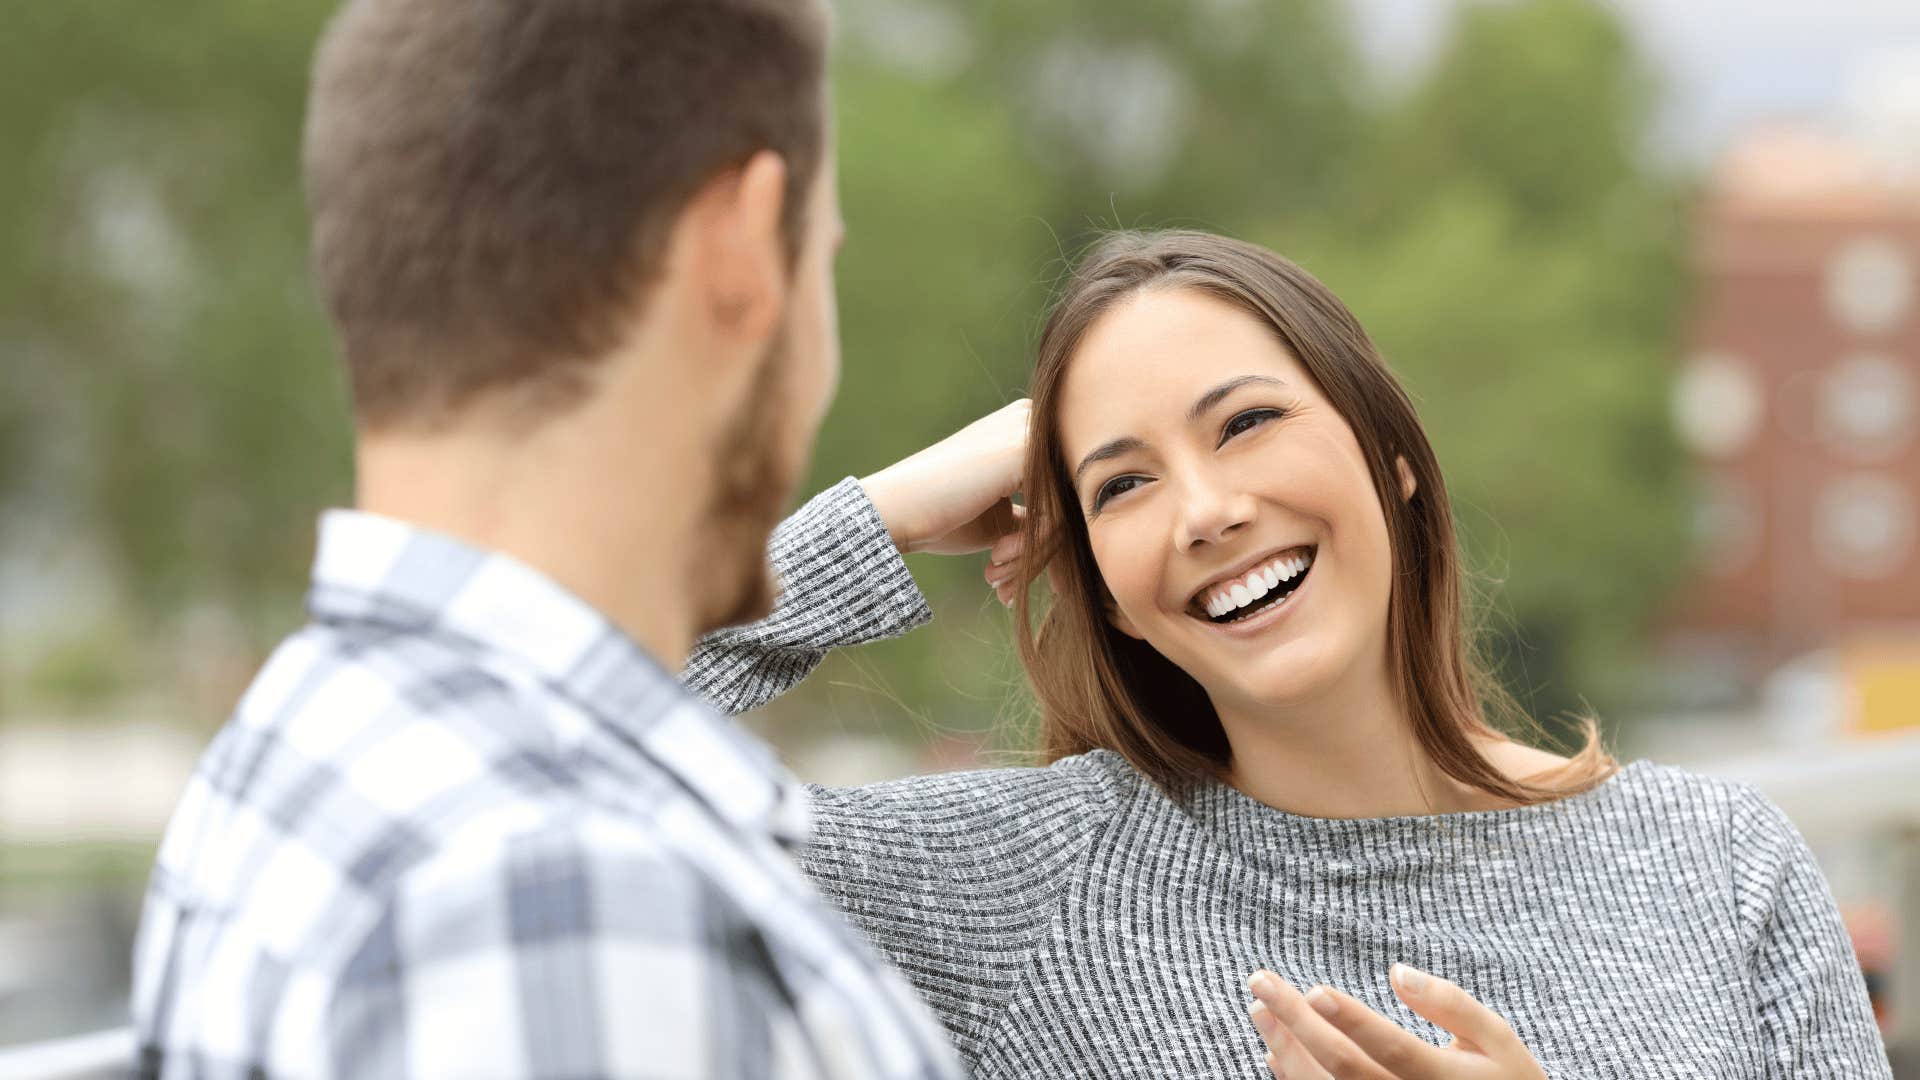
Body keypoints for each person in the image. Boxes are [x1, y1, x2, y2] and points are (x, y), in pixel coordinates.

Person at [686, 230, 1894, 1078]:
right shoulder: (1015, 893)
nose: (1206, 510)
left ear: (1393, 457)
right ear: (1105, 592)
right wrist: (879, 519)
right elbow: (517, 761)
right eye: (1124, 484)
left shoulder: (1717, 868)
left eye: (1249, 422)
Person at [129, 0, 967, 1075]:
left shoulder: (314, 736)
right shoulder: (563, 899)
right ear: (746, 247)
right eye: (825, 259)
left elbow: (588, 692)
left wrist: (867, 528)